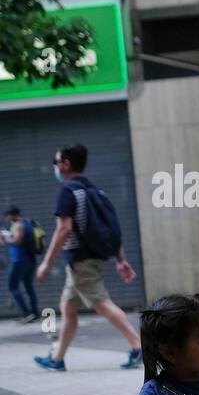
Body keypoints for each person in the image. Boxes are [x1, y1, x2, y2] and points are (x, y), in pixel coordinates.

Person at [33, 144, 143, 372]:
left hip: (81, 261)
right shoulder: (95, 190)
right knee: (68, 308)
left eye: (56, 162)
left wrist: (46, 263)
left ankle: (139, 346)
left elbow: (63, 229)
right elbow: (111, 228)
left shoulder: (68, 191)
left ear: (66, 164)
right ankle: (57, 359)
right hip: (88, 260)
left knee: (102, 303)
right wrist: (120, 259)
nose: (54, 167)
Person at [3, 205, 40, 323]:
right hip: (30, 260)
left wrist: (6, 239)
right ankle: (35, 312)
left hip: (19, 260)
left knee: (12, 286)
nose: (6, 219)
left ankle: (26, 313)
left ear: (13, 215)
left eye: (7, 216)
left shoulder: (17, 225)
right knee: (29, 286)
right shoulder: (29, 223)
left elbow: (17, 240)